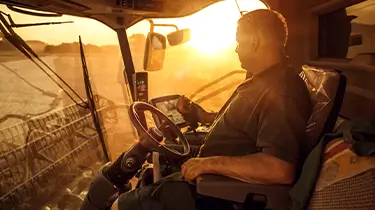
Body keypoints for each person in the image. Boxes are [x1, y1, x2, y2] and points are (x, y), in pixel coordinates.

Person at [111, 8, 312, 210]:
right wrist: (201, 116)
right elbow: (246, 124)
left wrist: (208, 164)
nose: (236, 49)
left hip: (218, 195)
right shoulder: (263, 80)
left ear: (255, 41)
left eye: (240, 42)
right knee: (157, 162)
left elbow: (279, 168)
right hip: (209, 183)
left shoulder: (282, 91)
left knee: (119, 206)